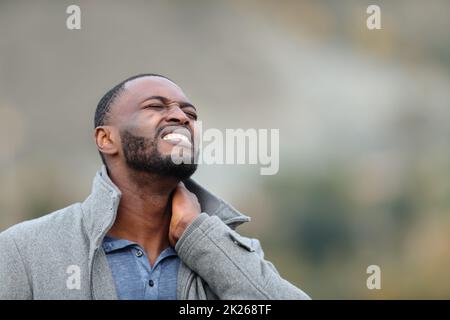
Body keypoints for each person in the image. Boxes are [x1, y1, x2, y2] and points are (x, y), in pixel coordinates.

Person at [0, 74, 310, 300]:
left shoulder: (225, 250)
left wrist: (199, 236)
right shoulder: (24, 251)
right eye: (154, 107)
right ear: (106, 139)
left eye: (190, 114)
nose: (180, 117)